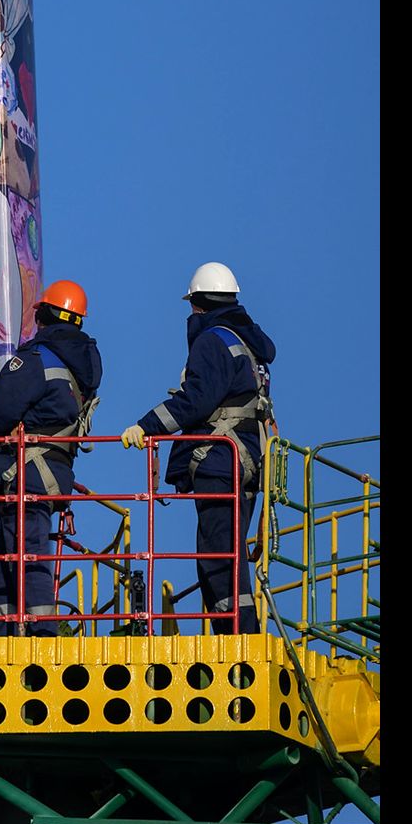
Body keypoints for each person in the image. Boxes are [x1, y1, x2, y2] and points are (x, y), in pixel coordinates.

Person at [120, 261, 275, 634]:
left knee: (218, 557)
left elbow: (195, 401)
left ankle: (237, 639)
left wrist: (146, 426)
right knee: (230, 553)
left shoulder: (213, 341)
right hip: (250, 459)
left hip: (221, 460)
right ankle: (238, 632)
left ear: (197, 304)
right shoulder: (248, 347)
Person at [0, 277, 102, 629]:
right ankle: (5, 631)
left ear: (44, 315)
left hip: (27, 470)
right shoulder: (86, 367)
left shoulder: (36, 360)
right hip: (51, 469)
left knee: (27, 551)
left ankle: (40, 634)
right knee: (1, 554)